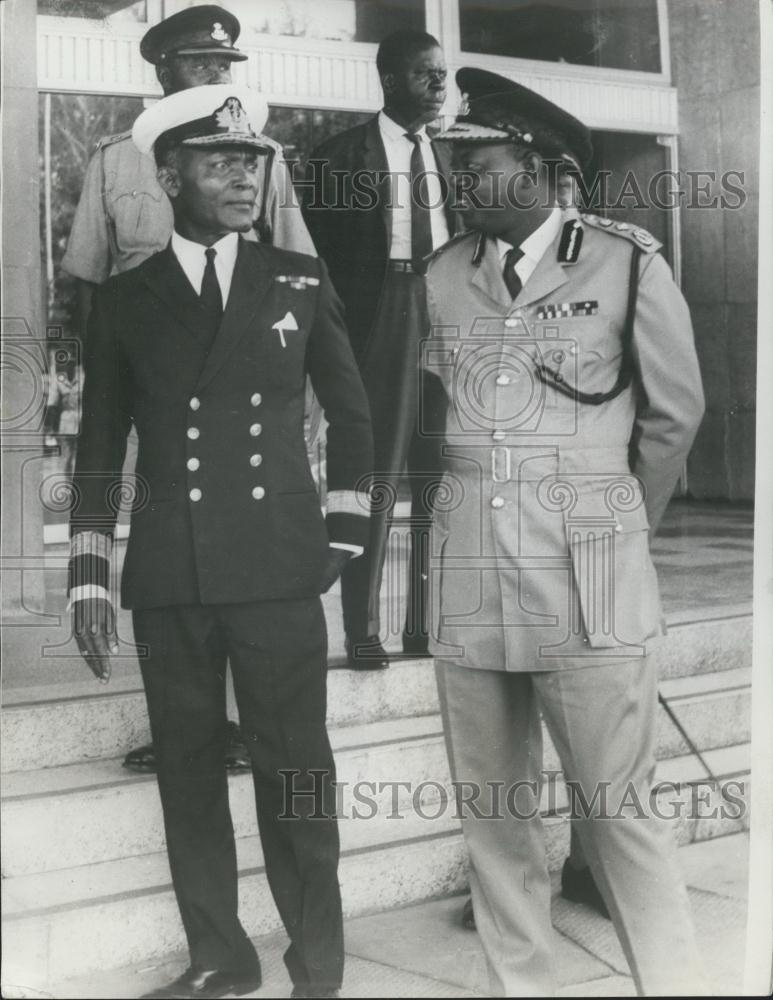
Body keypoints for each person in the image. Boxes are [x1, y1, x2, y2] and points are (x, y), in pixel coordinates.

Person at [68, 84, 372, 1000]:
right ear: (169, 177)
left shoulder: (298, 278)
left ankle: (318, 965)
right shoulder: (126, 299)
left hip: (278, 566)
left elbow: (354, 413)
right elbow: (98, 442)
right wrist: (88, 574)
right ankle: (220, 957)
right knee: (189, 775)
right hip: (171, 570)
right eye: (219, 163)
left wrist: (345, 533)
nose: (243, 177)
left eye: (252, 163)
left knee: (298, 772)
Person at [423, 68, 707, 995]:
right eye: (452, 165)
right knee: (492, 814)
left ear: (544, 170)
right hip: (469, 573)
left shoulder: (626, 262)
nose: (457, 182)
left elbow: (673, 416)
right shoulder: (439, 276)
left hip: (590, 577)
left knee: (616, 807)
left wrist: (615, 530)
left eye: (479, 163)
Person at [62, 3, 316, 775]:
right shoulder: (115, 159)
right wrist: (92, 376)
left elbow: (296, 268)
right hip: (149, 375)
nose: (213, 76)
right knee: (163, 536)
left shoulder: (258, 158)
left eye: (223, 67)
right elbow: (88, 276)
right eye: (198, 65)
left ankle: (241, 722)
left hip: (244, 378)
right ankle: (182, 715)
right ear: (161, 72)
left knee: (242, 538)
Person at [302, 29, 459, 669]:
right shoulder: (337, 158)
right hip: (378, 320)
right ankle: (362, 628)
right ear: (391, 80)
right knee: (375, 475)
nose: (440, 84)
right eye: (427, 73)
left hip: (446, 311)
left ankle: (422, 626)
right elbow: (312, 261)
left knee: (438, 478)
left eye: (444, 74)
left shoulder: (451, 157)